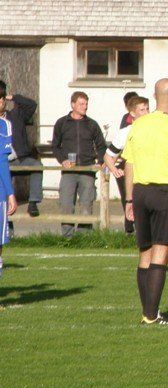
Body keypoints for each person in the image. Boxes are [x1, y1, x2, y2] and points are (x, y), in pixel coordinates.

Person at [122, 78, 168, 325]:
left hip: (140, 192)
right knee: (161, 253)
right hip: (166, 193)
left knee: (145, 252)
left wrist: (129, 199)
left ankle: (148, 312)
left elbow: (129, 163)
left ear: (154, 97)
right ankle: (151, 315)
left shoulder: (138, 125)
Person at [51, 91, 106, 237]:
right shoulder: (62, 123)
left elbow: (101, 146)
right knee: (66, 204)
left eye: (86, 104)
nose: (85, 107)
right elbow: (55, 146)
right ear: (73, 104)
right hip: (68, 171)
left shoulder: (92, 124)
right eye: (81, 104)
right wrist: (63, 160)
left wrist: (100, 162)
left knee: (87, 204)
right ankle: (67, 237)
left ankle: (84, 237)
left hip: (87, 170)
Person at [104, 95, 150, 234]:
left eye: (147, 109)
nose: (146, 113)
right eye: (142, 110)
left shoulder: (154, 128)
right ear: (132, 113)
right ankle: (131, 234)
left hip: (151, 176)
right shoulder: (126, 132)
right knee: (134, 210)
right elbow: (108, 156)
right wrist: (114, 169)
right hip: (133, 178)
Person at [0, 81, 43, 217]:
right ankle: (7, 219)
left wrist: (13, 97)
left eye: (1, 99)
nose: (0, 102)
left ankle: (33, 202)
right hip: (2, 162)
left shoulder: (16, 115)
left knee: (37, 165)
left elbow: (32, 105)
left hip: (19, 158)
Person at [0, 95, 19, 278]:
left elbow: (3, 161)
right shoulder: (4, 125)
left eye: (1, 98)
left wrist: (10, 193)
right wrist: (10, 194)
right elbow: (2, 162)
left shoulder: (4, 125)